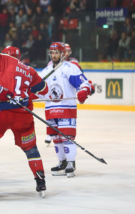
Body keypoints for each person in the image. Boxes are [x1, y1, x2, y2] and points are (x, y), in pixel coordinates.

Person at [0, 44, 49, 201]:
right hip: (24, 115)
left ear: (5, 54)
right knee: (31, 148)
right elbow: (43, 90)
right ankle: (41, 181)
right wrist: (29, 94)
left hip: (3, 113)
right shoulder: (29, 69)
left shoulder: (1, 59)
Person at [35, 42, 92, 178]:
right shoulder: (46, 70)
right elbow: (39, 90)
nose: (53, 55)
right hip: (50, 108)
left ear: (62, 54)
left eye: (56, 52)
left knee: (67, 136)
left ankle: (71, 162)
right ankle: (62, 162)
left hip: (66, 107)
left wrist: (84, 91)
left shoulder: (70, 68)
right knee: (56, 138)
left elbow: (84, 83)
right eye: (52, 52)